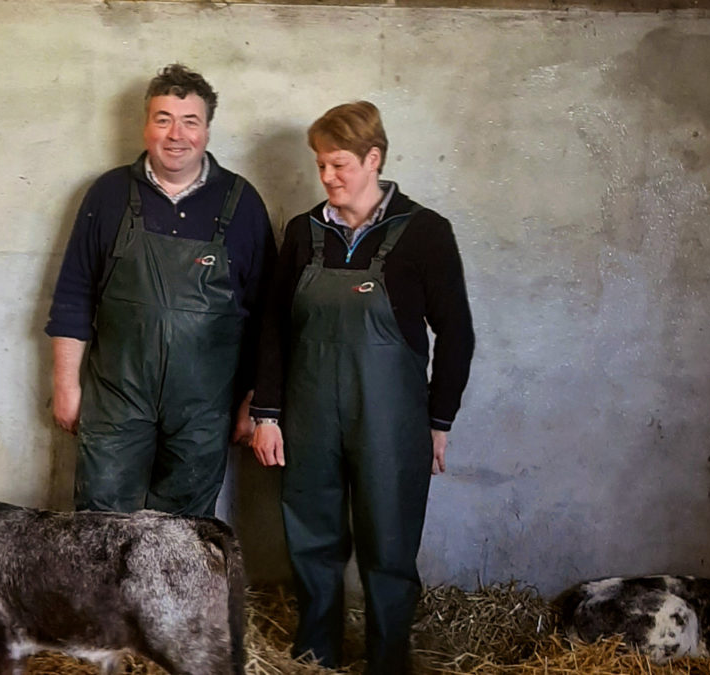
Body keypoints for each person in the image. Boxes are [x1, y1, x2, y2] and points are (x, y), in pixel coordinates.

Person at [249, 101, 474, 674]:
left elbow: (458, 335)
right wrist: (268, 413)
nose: (327, 176)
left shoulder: (424, 232)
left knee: (389, 548)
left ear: (374, 159)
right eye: (320, 164)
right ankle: (315, 657)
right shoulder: (304, 232)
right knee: (312, 541)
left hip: (391, 422)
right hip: (309, 417)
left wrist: (438, 422)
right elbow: (272, 327)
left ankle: (387, 661)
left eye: (339, 164)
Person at [47, 63, 276, 518]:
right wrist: (65, 384)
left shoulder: (242, 202)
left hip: (205, 407)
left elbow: (267, 314)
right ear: (145, 125)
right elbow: (73, 296)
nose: (176, 134)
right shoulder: (108, 194)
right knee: (100, 522)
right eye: (163, 119)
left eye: (190, 121)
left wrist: (255, 399)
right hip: (117, 399)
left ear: (207, 131)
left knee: (185, 533)